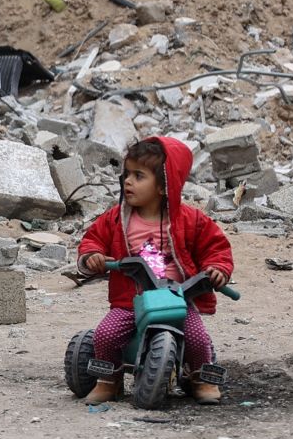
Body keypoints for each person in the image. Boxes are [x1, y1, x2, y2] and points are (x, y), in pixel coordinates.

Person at [76, 136, 234, 406]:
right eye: (126, 174)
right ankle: (108, 381)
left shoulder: (191, 220)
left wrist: (218, 268)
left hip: (178, 298)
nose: (128, 181)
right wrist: (92, 256)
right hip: (131, 300)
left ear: (164, 186)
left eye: (139, 176)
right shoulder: (116, 218)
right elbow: (93, 239)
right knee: (105, 335)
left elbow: (215, 247)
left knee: (197, 338)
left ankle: (200, 378)